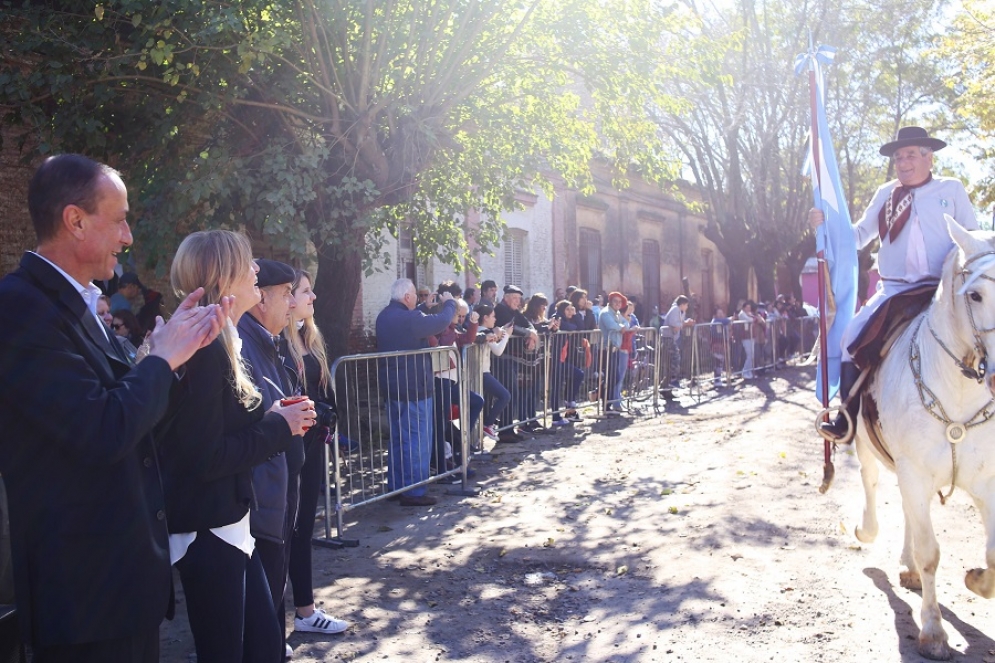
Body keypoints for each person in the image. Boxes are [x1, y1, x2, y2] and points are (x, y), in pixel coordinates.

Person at [0, 154, 226, 662]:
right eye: (120, 219)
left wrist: (179, 357)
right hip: (85, 596)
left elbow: (136, 421)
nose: (128, 237)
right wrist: (161, 360)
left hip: (120, 587)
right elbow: (102, 428)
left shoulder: (75, 299)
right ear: (75, 221)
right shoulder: (20, 306)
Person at [810, 126, 978, 439]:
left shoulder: (951, 189)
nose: (903, 162)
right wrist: (825, 225)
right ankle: (846, 421)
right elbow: (857, 236)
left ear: (929, 157)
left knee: (984, 327)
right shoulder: (885, 194)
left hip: (944, 288)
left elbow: (972, 238)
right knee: (850, 337)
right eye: (898, 157)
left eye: (910, 155)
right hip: (895, 289)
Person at [237, 258, 306, 659]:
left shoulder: (268, 340)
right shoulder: (244, 344)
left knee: (272, 605)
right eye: (286, 295)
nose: (293, 304)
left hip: (275, 495)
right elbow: (253, 417)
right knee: (259, 624)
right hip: (261, 502)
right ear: (261, 299)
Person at [283, 269, 351, 638]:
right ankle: (272, 622)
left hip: (313, 447)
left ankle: (305, 611)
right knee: (282, 532)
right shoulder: (279, 346)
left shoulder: (311, 338)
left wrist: (328, 415)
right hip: (287, 449)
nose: (313, 297)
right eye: (306, 291)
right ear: (288, 298)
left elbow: (324, 393)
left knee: (304, 528)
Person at [376, 278, 456, 506]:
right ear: (407, 297)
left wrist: (424, 307)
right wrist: (449, 303)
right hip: (414, 388)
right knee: (417, 440)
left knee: (398, 439)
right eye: (415, 296)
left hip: (393, 387)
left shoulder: (384, 316)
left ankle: (397, 486)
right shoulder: (411, 318)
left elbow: (410, 325)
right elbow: (441, 322)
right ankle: (414, 491)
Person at [473, 303, 512, 441]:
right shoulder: (484, 332)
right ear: (485, 318)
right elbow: (498, 351)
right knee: (505, 395)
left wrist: (501, 332)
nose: (495, 319)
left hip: (480, 372)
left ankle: (479, 435)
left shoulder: (480, 330)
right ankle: (488, 424)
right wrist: (507, 335)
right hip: (482, 372)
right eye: (493, 316)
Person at [598, 292, 635, 413]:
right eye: (615, 301)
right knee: (612, 376)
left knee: (614, 377)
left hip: (614, 349)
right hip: (606, 348)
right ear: (610, 302)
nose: (618, 304)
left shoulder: (617, 313)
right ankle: (604, 403)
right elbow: (611, 325)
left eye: (620, 302)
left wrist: (622, 326)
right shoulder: (605, 312)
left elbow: (626, 324)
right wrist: (621, 327)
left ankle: (605, 401)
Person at [738, 301, 759, 380]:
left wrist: (753, 317)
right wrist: (752, 318)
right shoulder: (742, 314)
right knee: (749, 355)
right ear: (743, 308)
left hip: (751, 336)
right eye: (747, 307)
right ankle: (744, 372)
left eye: (749, 308)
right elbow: (751, 320)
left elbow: (755, 319)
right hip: (745, 337)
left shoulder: (749, 313)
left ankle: (749, 372)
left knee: (752, 355)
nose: (748, 309)